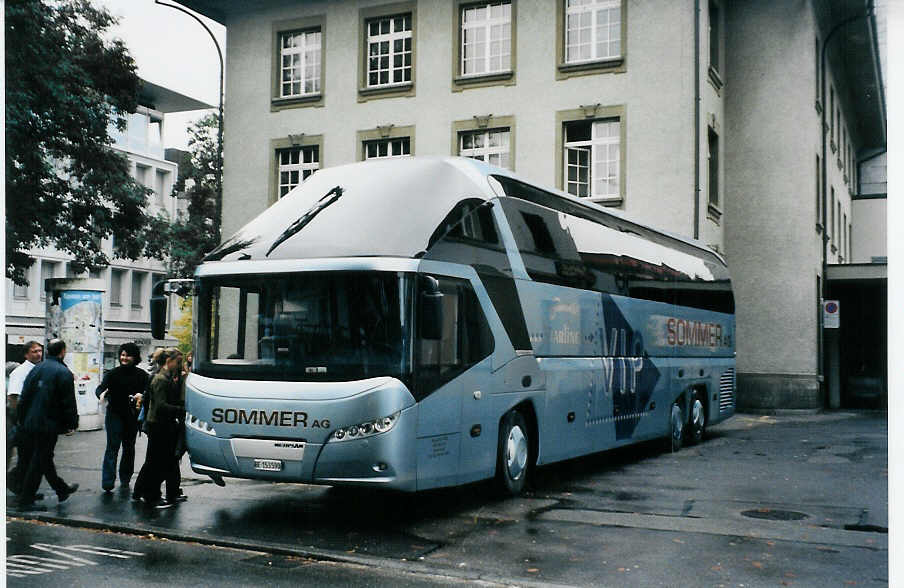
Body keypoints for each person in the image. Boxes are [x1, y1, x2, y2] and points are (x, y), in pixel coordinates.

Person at [13, 339, 79, 511]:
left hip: (30, 422)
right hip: (49, 424)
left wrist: (21, 419)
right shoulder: (63, 372)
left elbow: (24, 396)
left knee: (44, 458)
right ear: (63, 351)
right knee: (40, 460)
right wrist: (72, 423)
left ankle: (61, 489)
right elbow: (68, 402)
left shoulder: (36, 369)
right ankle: (26, 500)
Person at [132, 348, 186, 509]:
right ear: (168, 361)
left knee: (154, 461)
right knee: (157, 462)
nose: (179, 365)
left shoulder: (163, 378)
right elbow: (161, 406)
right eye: (177, 362)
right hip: (160, 424)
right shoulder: (162, 379)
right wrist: (180, 410)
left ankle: (144, 492)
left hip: (158, 423)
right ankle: (151, 495)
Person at [95, 342, 148, 493]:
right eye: (122, 355)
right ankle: (108, 482)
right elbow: (100, 388)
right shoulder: (112, 374)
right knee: (112, 447)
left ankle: (125, 478)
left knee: (129, 448)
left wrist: (142, 396)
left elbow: (149, 392)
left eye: (128, 355)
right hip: (114, 415)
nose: (124, 358)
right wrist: (101, 394)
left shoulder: (142, 375)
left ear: (135, 357)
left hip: (132, 417)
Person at [7, 341, 43, 494]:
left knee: (30, 456)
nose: (38, 354)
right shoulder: (20, 372)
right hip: (22, 420)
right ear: (26, 354)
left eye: (40, 351)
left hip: (33, 419)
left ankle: (22, 488)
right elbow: (13, 397)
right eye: (34, 351)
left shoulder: (38, 369)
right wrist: (18, 419)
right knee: (26, 456)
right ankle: (16, 484)